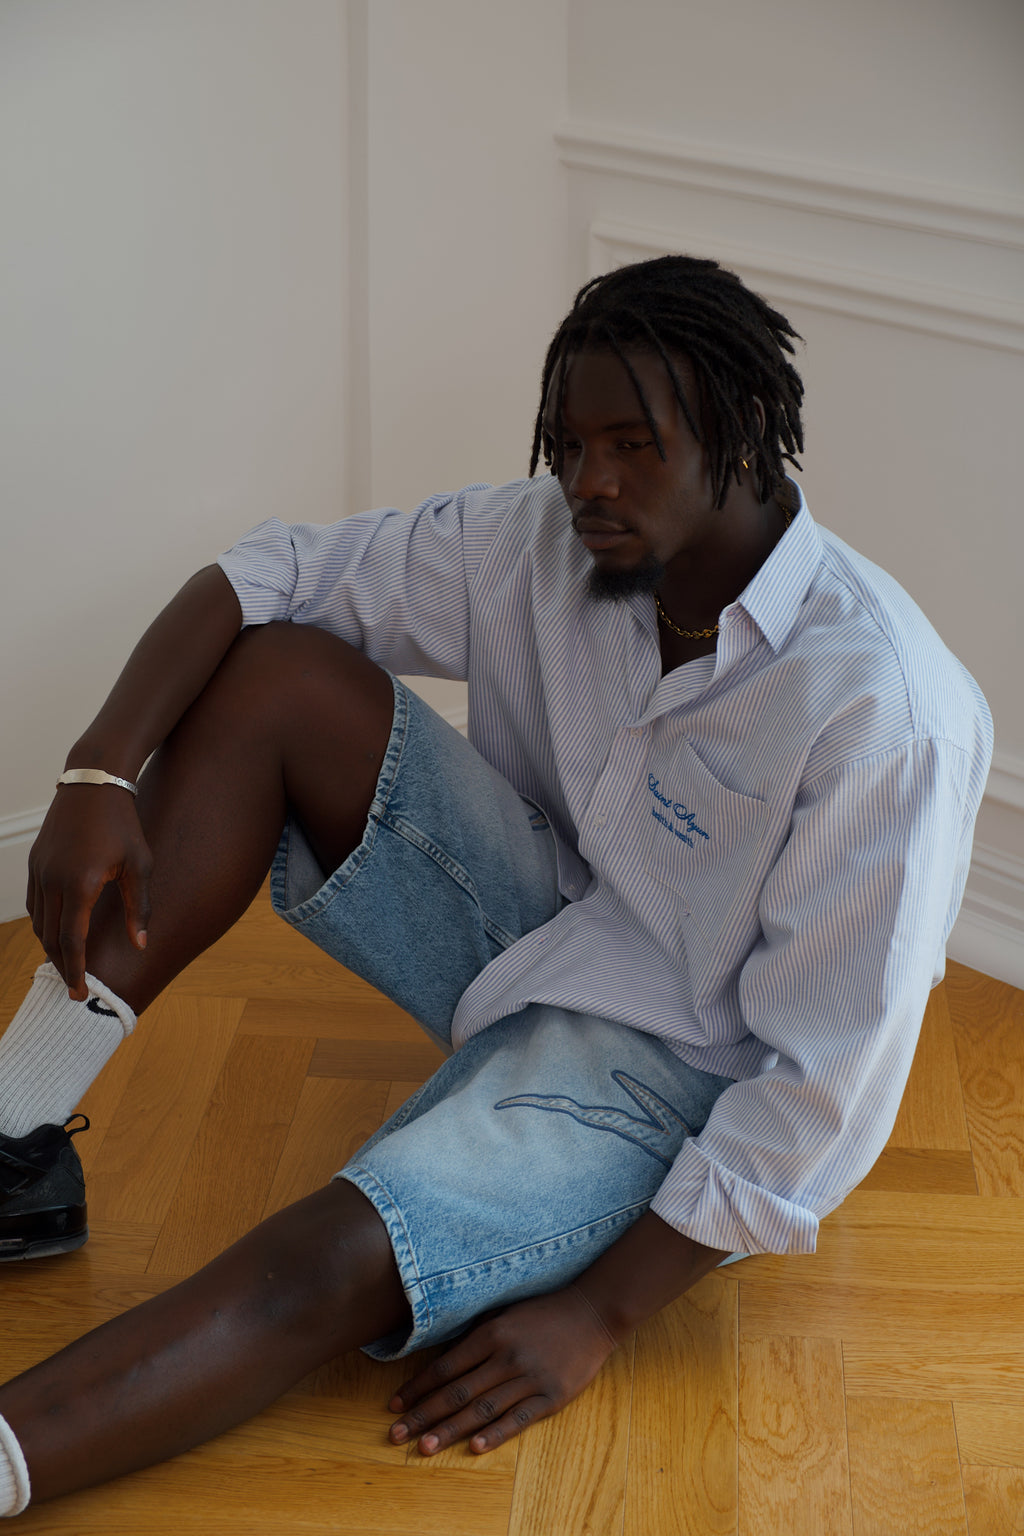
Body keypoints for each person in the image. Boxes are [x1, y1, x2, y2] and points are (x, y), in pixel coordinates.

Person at [0, 255, 992, 1517]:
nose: (591, 484)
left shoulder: (883, 709)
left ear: (745, 436)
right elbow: (266, 576)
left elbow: (820, 1093)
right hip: (551, 925)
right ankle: (9, 1133)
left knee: (331, 1256)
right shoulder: (543, 539)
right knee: (279, 678)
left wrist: (596, 1312)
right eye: (571, 445)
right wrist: (97, 773)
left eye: (634, 446)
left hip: (679, 1076)